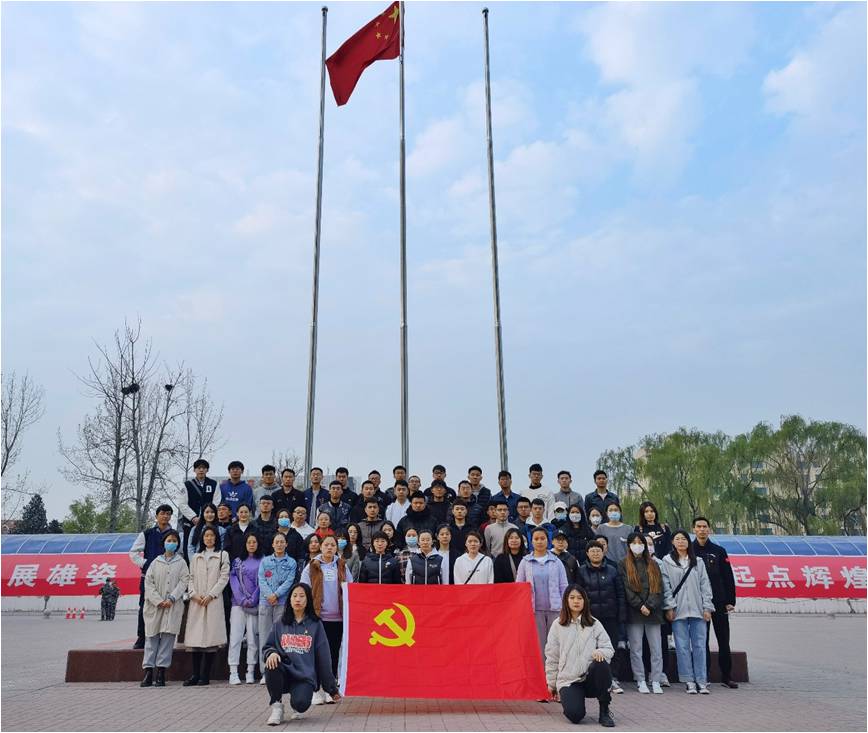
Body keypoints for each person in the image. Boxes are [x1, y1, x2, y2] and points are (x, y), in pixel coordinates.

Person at [261, 583, 341, 725]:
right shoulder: (280, 623)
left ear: (308, 600)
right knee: (271, 664)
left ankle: (296, 702)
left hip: (304, 677)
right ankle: (277, 706)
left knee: (301, 704)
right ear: (290, 599)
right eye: (294, 596)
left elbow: (324, 658)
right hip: (283, 673)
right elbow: (268, 646)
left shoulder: (316, 625)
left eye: (302, 596)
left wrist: (331, 689)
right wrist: (271, 653)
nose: (298, 599)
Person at [544, 585, 615, 727]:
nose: (576, 601)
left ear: (585, 601)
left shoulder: (594, 623)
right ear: (566, 600)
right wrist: (551, 684)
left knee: (601, 664)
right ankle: (573, 701)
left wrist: (600, 652)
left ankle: (604, 710)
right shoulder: (557, 625)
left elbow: (608, 648)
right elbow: (552, 657)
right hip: (569, 680)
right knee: (575, 715)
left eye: (580, 598)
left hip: (590, 679)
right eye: (572, 598)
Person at [300, 535, 353, 703]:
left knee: (333, 654)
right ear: (320, 547)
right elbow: (304, 590)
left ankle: (330, 689)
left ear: (336, 548)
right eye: (326, 545)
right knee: (317, 654)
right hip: (318, 617)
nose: (329, 548)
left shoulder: (342, 565)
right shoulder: (312, 566)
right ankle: (316, 690)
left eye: (333, 545)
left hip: (338, 618)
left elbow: (351, 587)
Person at [661, 529, 714, 694]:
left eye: (684, 539)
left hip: (698, 610)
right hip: (678, 610)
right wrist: (669, 607)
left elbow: (705, 585)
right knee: (682, 647)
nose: (681, 542)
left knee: (700, 646)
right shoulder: (667, 561)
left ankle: (701, 680)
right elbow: (665, 586)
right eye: (677, 539)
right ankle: (688, 680)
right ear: (672, 542)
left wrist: (707, 607)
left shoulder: (697, 561)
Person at [691, 516, 738, 688]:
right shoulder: (690, 551)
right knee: (701, 641)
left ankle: (726, 676)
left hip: (719, 601)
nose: (702, 529)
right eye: (698, 527)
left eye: (704, 526)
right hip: (699, 602)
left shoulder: (719, 551)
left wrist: (730, 600)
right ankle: (704, 675)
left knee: (723, 640)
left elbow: (728, 577)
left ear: (709, 529)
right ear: (693, 529)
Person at [577, 540, 627, 695]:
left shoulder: (612, 570)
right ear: (587, 553)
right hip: (589, 618)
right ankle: (590, 677)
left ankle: (612, 678)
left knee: (610, 647)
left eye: (598, 550)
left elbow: (620, 594)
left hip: (610, 616)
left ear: (603, 552)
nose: (595, 553)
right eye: (592, 551)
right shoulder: (581, 571)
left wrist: (621, 615)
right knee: (588, 648)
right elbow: (578, 594)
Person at [183, 526, 230, 686]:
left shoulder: (222, 555)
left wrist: (211, 594)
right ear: (202, 539)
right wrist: (193, 594)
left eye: (212, 535)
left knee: (210, 639)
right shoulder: (196, 557)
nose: (209, 538)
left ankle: (205, 675)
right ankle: (195, 674)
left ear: (216, 538)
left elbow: (224, 577)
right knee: (195, 639)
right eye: (206, 536)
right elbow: (190, 577)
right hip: (197, 600)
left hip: (213, 600)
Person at [619, 531, 665, 694]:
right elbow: (626, 588)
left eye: (640, 542)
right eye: (634, 542)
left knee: (656, 649)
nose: (637, 545)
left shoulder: (653, 564)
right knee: (636, 649)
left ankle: (656, 680)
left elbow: (658, 587)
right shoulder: (623, 564)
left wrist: (650, 605)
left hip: (653, 613)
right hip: (634, 613)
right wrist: (640, 605)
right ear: (629, 545)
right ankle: (640, 679)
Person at [141, 530, 188, 688]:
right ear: (163, 542)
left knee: (167, 639)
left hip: (172, 605)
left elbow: (184, 581)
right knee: (151, 637)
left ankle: (161, 671)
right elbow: (149, 583)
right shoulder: (155, 562)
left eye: (174, 541)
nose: (171, 543)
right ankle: (148, 671)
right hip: (155, 606)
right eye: (169, 540)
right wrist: (158, 600)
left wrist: (172, 598)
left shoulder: (181, 563)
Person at [517, 527, 569, 664]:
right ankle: (541, 673)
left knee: (556, 643)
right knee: (539, 645)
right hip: (534, 611)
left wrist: (565, 607)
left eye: (542, 538)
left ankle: (556, 671)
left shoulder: (556, 562)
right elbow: (519, 587)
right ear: (531, 541)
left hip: (555, 610)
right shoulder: (525, 562)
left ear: (548, 541)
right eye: (536, 539)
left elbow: (563, 586)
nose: (539, 541)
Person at [130, 504, 175, 649]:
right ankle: (142, 637)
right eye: (162, 513)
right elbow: (133, 553)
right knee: (145, 607)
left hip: (168, 578)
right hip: (148, 577)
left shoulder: (174, 535)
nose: (165, 516)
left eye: (168, 514)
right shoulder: (147, 534)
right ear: (156, 516)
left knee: (166, 608)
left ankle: (162, 638)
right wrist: (146, 564)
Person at [257, 532, 298, 683]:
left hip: (282, 602)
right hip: (265, 602)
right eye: (277, 542)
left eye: (282, 542)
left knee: (281, 637)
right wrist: (269, 595)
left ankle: (279, 670)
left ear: (286, 544)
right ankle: (265, 671)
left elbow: (289, 581)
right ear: (273, 544)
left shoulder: (291, 562)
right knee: (264, 636)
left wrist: (276, 594)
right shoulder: (265, 561)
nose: (279, 544)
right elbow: (261, 579)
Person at [228, 533, 262, 685]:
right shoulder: (237, 561)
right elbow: (233, 580)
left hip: (255, 605)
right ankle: (233, 672)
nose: (252, 544)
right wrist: (241, 599)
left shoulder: (263, 560)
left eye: (254, 542)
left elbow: (263, 581)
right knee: (235, 638)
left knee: (253, 639)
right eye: (249, 542)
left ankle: (250, 671)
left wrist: (253, 599)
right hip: (238, 604)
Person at [177, 458, 220, 561]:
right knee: (189, 546)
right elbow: (182, 504)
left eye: (203, 468)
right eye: (198, 468)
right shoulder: (187, 485)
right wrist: (193, 517)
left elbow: (216, 501)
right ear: (194, 470)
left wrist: (208, 516)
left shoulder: (214, 484)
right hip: (191, 522)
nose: (201, 470)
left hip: (209, 522)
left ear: (207, 470)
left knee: (210, 544)